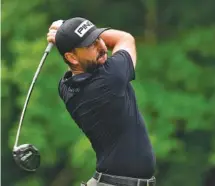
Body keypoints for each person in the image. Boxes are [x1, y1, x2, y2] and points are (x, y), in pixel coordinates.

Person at [47, 17, 156, 186]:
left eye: (99, 38)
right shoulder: (110, 78)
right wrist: (64, 29)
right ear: (72, 57)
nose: (102, 46)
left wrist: (65, 35)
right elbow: (125, 38)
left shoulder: (66, 86)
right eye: (91, 45)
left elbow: (76, 63)